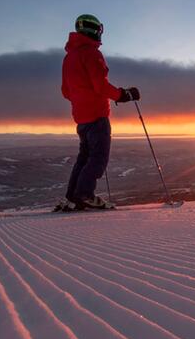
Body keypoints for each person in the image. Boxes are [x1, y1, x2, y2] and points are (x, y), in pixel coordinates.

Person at [56, 14, 140, 211]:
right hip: (97, 115)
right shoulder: (92, 54)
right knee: (98, 158)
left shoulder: (69, 58)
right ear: (94, 30)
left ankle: (72, 196)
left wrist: (81, 100)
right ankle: (84, 195)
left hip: (81, 117)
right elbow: (100, 85)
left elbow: (66, 91)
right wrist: (123, 95)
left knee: (84, 157)